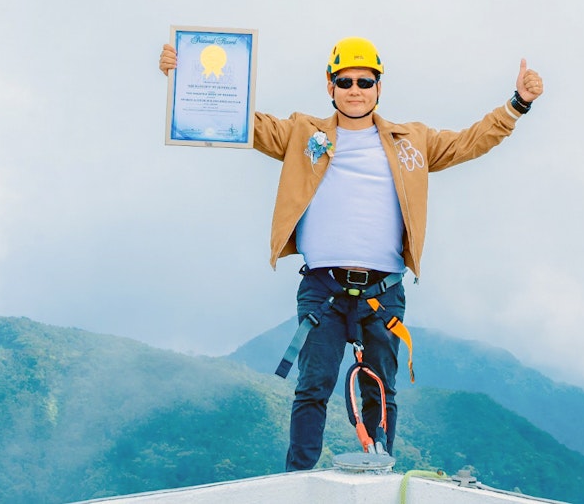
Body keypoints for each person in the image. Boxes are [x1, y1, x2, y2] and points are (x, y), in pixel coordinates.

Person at [158, 36, 543, 471]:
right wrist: (186, 76)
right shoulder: (302, 134)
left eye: (365, 81)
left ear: (379, 87)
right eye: (345, 81)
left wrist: (517, 104)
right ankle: (298, 481)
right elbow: (244, 121)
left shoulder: (412, 140)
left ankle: (380, 475)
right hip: (323, 290)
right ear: (330, 86)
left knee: (380, 390)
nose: (355, 89)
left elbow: (470, 142)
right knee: (312, 387)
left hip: (384, 291)